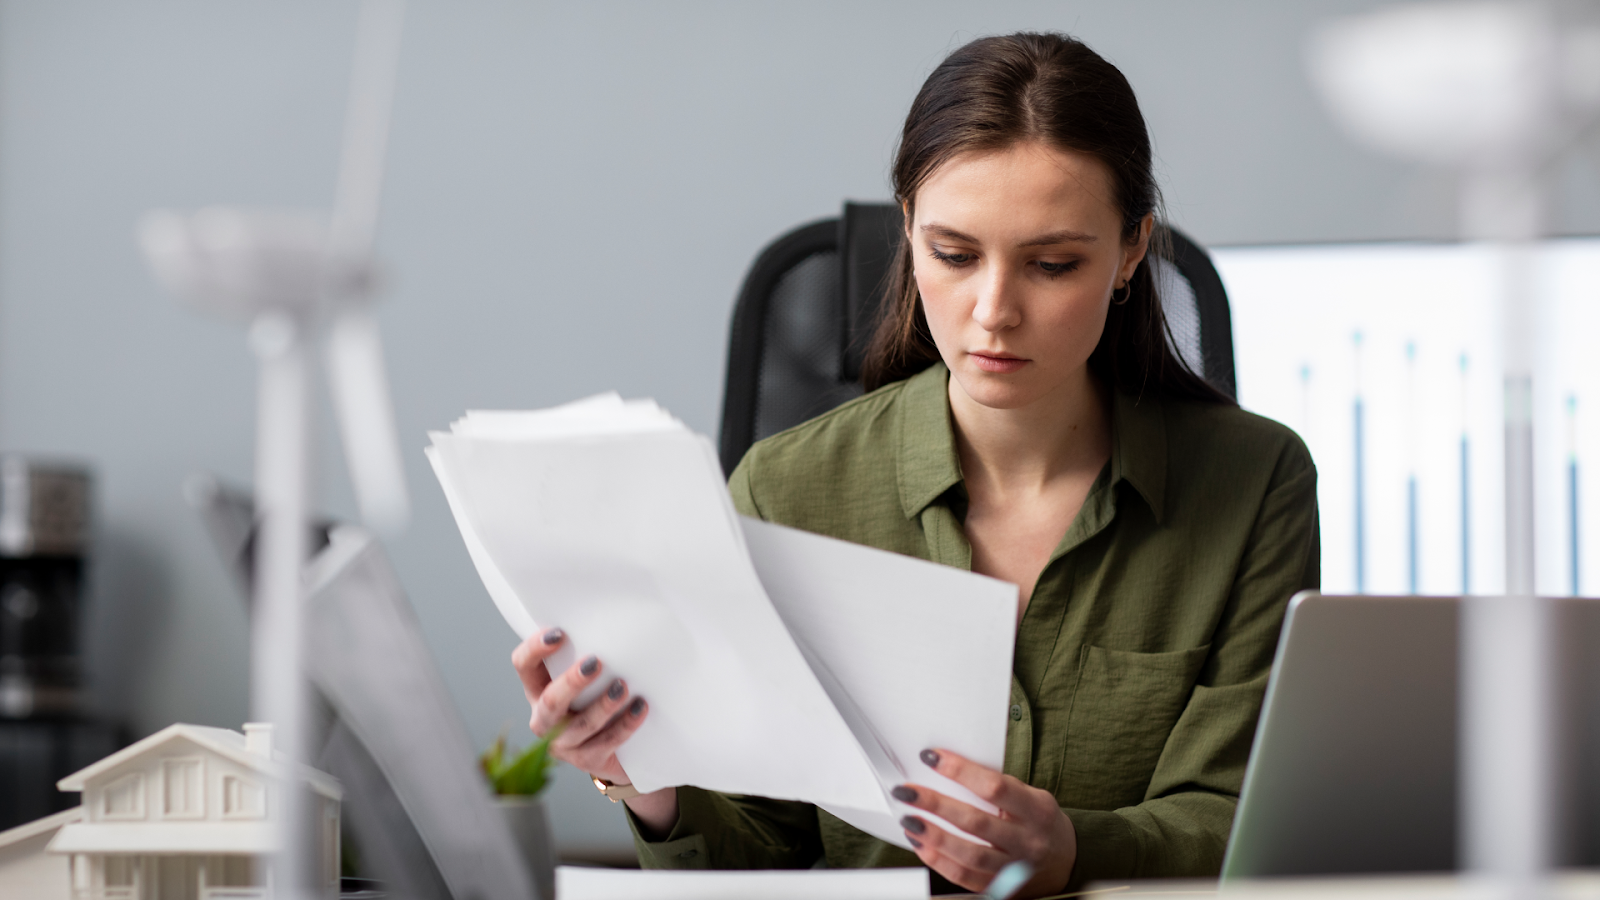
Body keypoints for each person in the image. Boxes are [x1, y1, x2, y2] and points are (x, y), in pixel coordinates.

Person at [510, 31, 1318, 898]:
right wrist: (643, 774)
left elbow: (1240, 813)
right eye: (954, 255)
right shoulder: (785, 489)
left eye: (1053, 264)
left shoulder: (1256, 481)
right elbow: (756, 846)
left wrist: (1075, 851)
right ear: (908, 231)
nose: (993, 311)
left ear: (1129, 252)